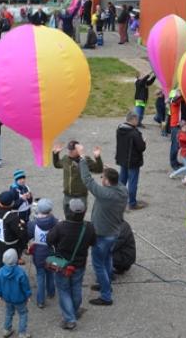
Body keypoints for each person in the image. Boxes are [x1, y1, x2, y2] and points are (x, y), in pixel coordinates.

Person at [76, 144, 127, 306]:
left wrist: (83, 158)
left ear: (107, 181)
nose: (101, 179)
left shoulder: (105, 194)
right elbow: (115, 179)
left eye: (103, 178)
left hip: (103, 235)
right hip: (114, 232)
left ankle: (106, 296)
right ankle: (107, 282)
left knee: (98, 264)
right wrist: (108, 169)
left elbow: (87, 180)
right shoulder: (122, 190)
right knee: (107, 258)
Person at [46, 198, 97, 330]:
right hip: (79, 265)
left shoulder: (60, 226)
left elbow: (49, 240)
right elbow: (93, 242)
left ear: (69, 211)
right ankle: (74, 312)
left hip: (61, 264)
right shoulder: (89, 227)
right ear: (84, 212)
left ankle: (69, 319)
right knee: (76, 288)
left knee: (63, 290)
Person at [52, 140, 103, 218]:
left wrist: (97, 158)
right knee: (68, 217)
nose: (70, 151)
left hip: (80, 196)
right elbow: (57, 164)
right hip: (67, 196)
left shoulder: (85, 160)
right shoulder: (66, 159)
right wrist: (55, 154)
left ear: (78, 149)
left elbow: (99, 169)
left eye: (72, 149)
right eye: (69, 149)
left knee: (79, 218)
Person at [27, 199, 58, 309]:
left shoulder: (32, 224)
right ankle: (51, 292)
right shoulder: (56, 222)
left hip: (38, 254)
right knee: (51, 273)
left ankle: (40, 300)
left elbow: (28, 235)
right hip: (52, 253)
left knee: (40, 276)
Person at [0, 248, 32, 338]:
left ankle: (6, 330)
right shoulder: (20, 272)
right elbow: (25, 286)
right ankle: (22, 333)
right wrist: (28, 295)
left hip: (7, 298)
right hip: (19, 299)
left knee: (9, 313)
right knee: (23, 314)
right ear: (16, 259)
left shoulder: (0, 271)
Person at [115, 111, 147, 210]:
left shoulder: (119, 129)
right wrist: (144, 142)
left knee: (122, 181)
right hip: (133, 161)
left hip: (122, 159)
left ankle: (118, 200)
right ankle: (132, 203)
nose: (138, 121)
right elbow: (141, 148)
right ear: (133, 120)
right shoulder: (134, 133)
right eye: (137, 119)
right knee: (132, 182)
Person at [0, 191, 28, 259]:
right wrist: (23, 224)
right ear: (12, 202)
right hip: (11, 245)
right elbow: (22, 234)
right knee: (12, 261)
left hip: (0, 242)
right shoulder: (12, 217)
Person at [168, 89, 186, 170]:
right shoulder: (175, 100)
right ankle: (173, 163)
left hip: (182, 125)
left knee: (183, 143)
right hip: (176, 126)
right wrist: (180, 94)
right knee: (175, 145)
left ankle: (176, 162)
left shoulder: (181, 101)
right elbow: (174, 100)